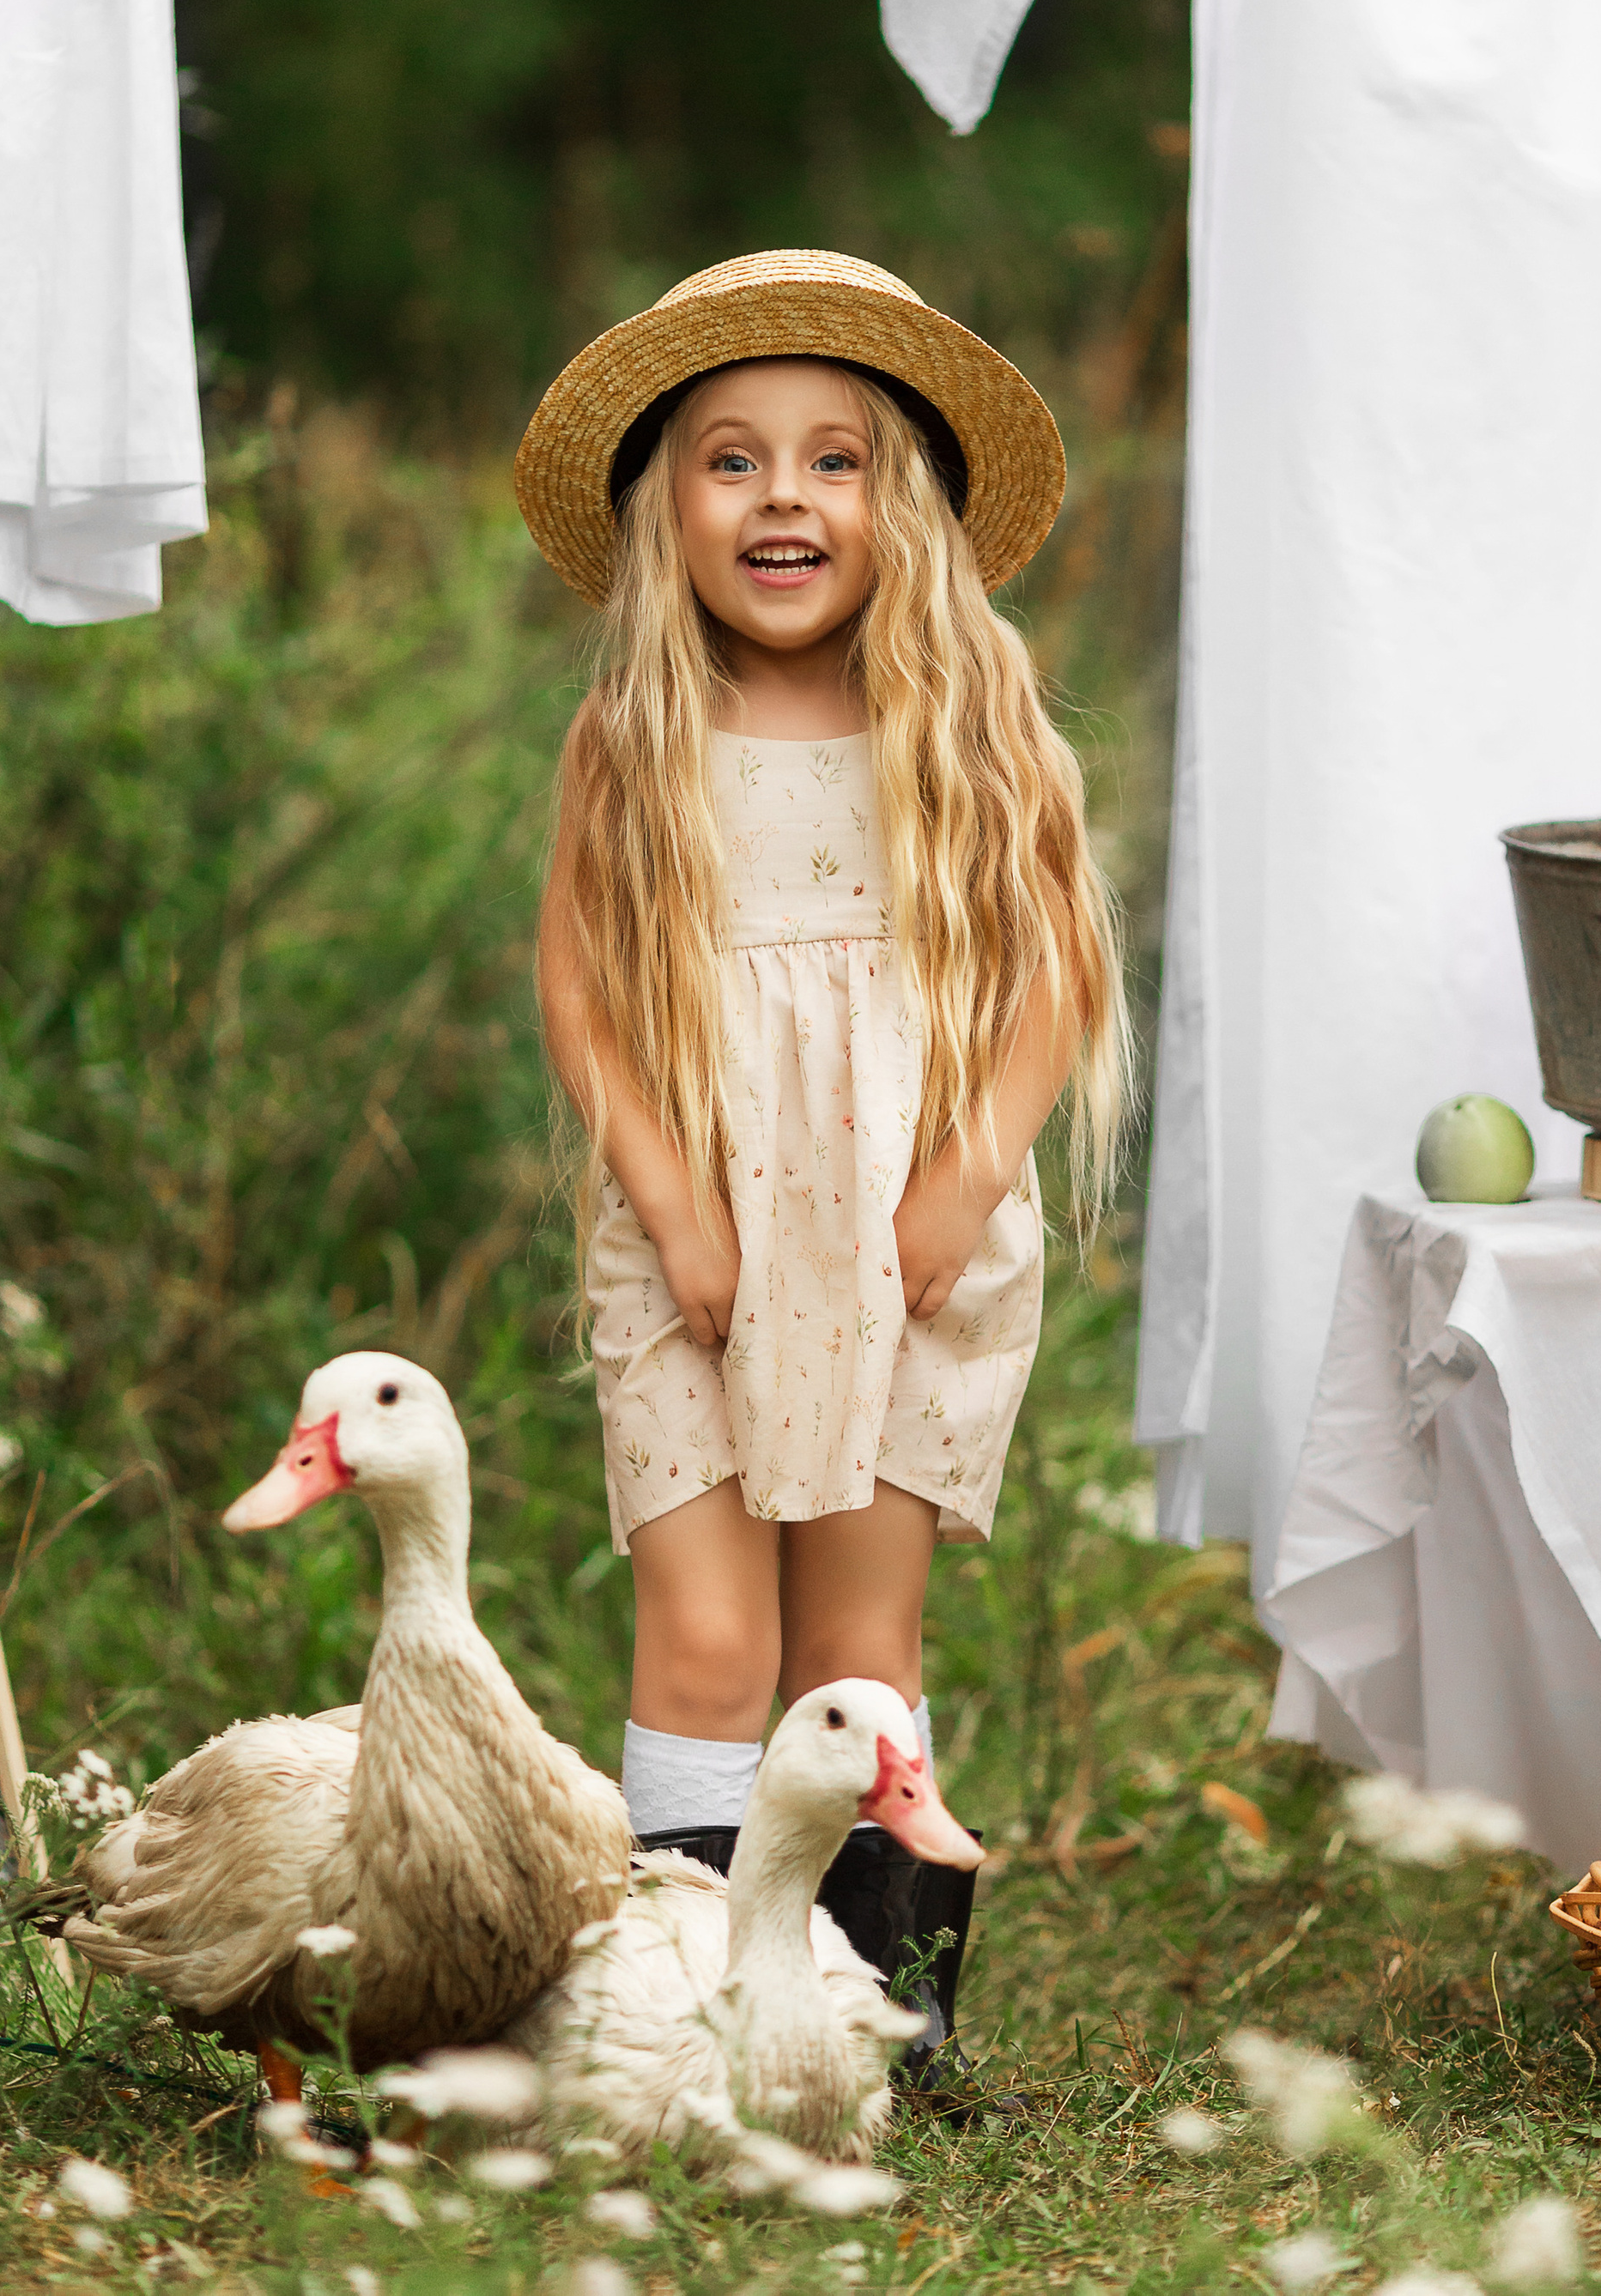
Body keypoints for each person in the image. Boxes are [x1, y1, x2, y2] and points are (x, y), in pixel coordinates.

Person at [518, 249, 1130, 2102]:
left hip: (904, 1231)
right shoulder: (633, 730)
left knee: (854, 1645)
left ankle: (882, 2035)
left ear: (898, 501)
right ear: (669, 506)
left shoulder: (968, 707)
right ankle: (686, 2022)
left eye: (832, 458)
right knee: (709, 1638)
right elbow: (578, 985)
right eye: (733, 458)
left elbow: (1053, 968)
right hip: (695, 1229)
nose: (782, 496)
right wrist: (672, 1205)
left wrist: (967, 1178)